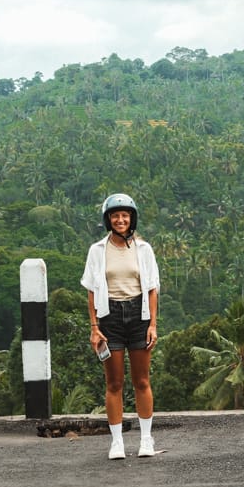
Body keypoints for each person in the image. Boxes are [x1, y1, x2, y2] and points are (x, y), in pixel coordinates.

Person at [81, 193, 160, 460]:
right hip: (109, 316)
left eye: (125, 215)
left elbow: (152, 290)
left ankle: (146, 438)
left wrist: (152, 325)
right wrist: (94, 327)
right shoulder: (97, 251)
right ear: (108, 220)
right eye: (115, 216)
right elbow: (91, 291)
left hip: (139, 315)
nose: (120, 220)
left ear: (132, 218)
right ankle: (116, 442)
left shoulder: (144, 250)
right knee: (114, 382)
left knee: (141, 380)